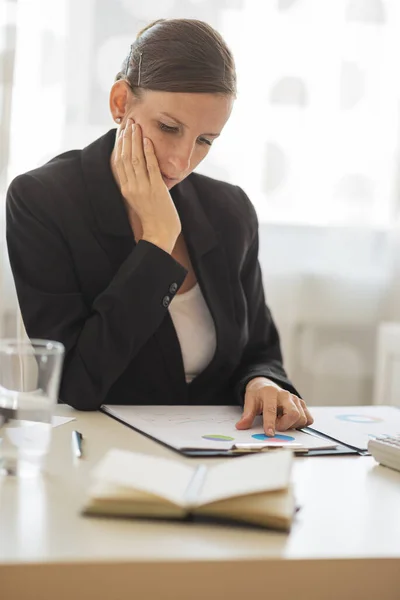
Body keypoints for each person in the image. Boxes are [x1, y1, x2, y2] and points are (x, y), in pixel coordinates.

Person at [6, 18, 313, 436]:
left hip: (218, 457)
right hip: (103, 455)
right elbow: (77, 383)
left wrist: (262, 381)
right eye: (168, 128)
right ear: (120, 103)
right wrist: (157, 242)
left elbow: (259, 350)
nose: (181, 161)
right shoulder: (42, 201)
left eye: (205, 140)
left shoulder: (230, 210)